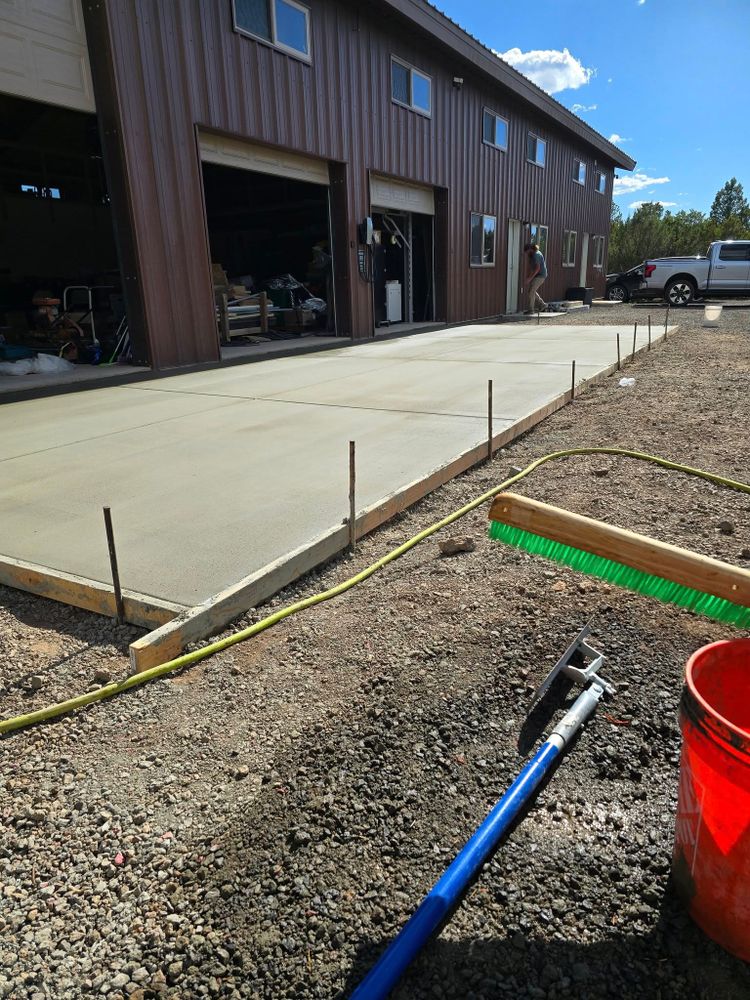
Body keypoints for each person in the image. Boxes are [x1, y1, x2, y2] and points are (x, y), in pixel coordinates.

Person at [524, 241, 548, 314]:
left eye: (527, 252)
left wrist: (530, 278)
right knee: (532, 291)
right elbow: (530, 268)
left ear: (530, 249)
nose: (527, 253)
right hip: (537, 275)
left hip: (541, 275)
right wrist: (527, 277)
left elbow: (537, 268)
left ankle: (531, 310)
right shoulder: (531, 255)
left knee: (531, 291)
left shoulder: (536, 254)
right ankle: (543, 305)